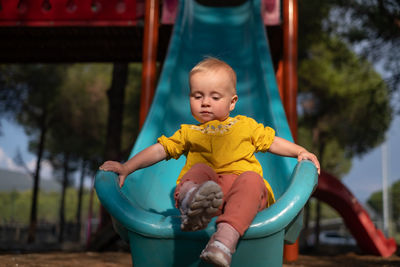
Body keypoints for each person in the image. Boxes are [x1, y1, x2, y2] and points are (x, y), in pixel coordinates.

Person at [99, 57, 320, 267]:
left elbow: (272, 142)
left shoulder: (245, 126)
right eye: (197, 96)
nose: (205, 103)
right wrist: (127, 167)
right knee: (200, 169)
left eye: (215, 98)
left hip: (245, 197)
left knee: (252, 179)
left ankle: (224, 241)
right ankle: (191, 201)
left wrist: (300, 151)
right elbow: (159, 150)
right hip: (211, 194)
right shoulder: (189, 132)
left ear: (232, 102)